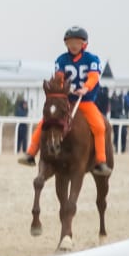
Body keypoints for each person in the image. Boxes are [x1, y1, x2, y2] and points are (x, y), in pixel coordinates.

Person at [20, 26, 112, 176]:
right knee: (45, 122)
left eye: (77, 42)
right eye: (70, 42)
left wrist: (86, 88)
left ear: (84, 44)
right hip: (67, 102)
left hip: (85, 101)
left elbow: (94, 77)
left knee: (100, 127)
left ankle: (100, 162)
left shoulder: (92, 59)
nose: (73, 45)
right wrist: (63, 88)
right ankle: (30, 153)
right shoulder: (61, 60)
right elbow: (59, 77)